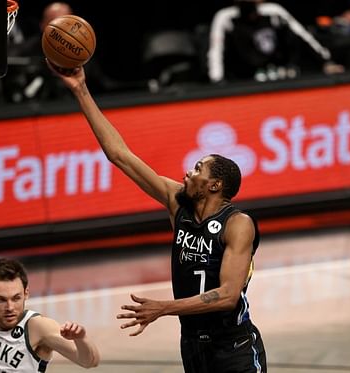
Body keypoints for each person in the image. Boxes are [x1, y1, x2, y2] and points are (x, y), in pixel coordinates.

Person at [50, 63, 266, 372]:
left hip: (234, 346)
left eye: (196, 170)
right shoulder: (178, 203)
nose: (187, 174)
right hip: (192, 344)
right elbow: (119, 155)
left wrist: (164, 307)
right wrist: (80, 89)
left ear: (215, 185)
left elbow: (227, 296)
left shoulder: (238, 224)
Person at [207, 0, 344, 83]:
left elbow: (303, 36)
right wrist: (217, 80)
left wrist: (326, 62)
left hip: (278, 76)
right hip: (245, 80)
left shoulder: (274, 11)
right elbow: (215, 51)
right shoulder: (225, 18)